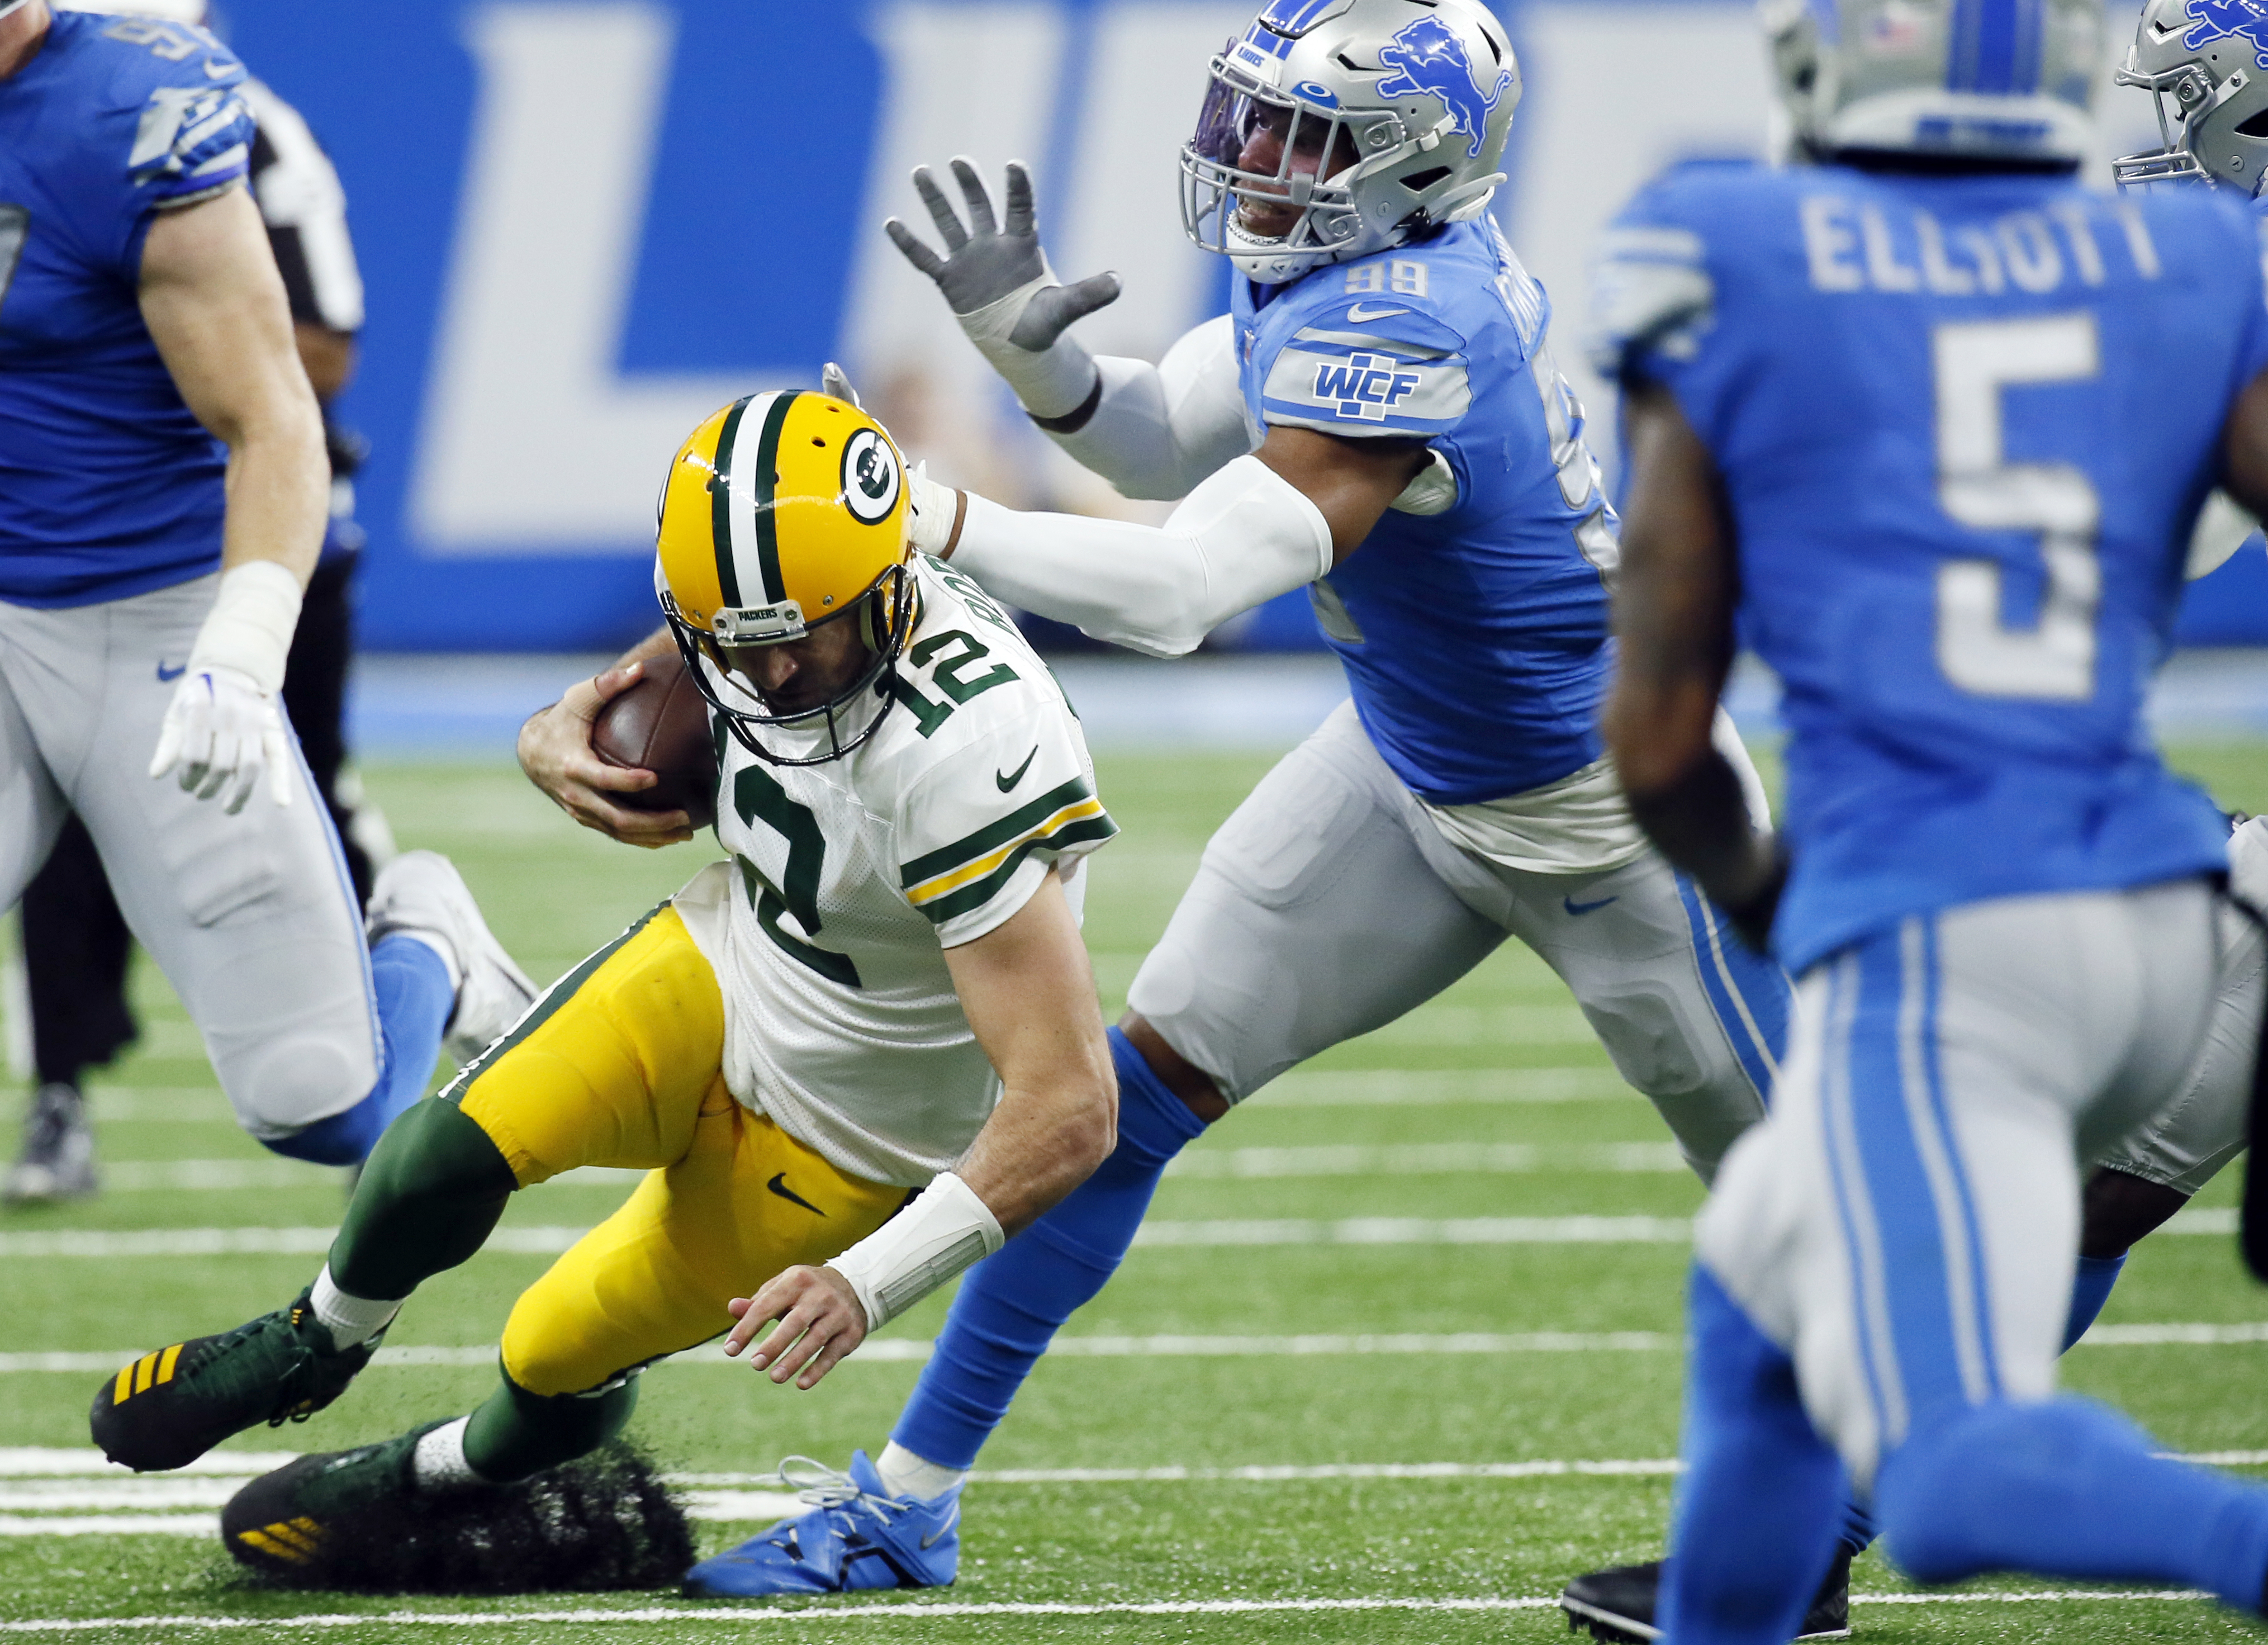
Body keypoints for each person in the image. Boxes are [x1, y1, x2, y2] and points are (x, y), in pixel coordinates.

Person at [685, 0, 1809, 1596]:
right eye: (1248, 120)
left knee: (1804, 1204)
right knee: (1118, 1113)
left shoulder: (1414, 318)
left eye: (1298, 137)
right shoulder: (1333, 276)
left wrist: (934, 517)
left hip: (1608, 820)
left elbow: (1176, 593)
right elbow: (1158, 444)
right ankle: (903, 1505)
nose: (1249, 162)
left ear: (1414, 168)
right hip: (1408, 767)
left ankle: (1815, 1535)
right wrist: (1038, 359)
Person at [87, 390, 1121, 1592]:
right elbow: (650, 691)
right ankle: (315, 1336)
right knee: (433, 1153)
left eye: (809, 636)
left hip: (854, 1131)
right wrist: (547, 737)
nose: (774, 670)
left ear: (889, 581)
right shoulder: (747, 624)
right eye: (737, 638)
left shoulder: (968, 747)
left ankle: (434, 1481)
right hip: (730, 971)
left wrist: (865, 1278)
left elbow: (1069, 1102)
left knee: (552, 1349)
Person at [1554, 1, 2268, 1630]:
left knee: (1946, 1476)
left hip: (1949, 927)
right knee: (1759, 1288)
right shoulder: (2185, 266)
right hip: (2167, 909)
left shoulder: (1721, 247)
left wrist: (1768, 900)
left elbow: (1656, 739)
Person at [0, 0, 533, 1559]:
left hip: (154, 617)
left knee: (325, 1118)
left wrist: (243, 643)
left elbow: (272, 407)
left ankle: (427, 938)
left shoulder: (139, 102)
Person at [0, 0, 387, 1208]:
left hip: (257, 533)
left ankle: (393, 1041)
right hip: (83, 541)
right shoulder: (20, 133)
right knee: (58, 819)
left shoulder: (250, 131)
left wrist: (173, 319)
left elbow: (323, 344)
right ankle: (59, 1093)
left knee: (300, 792)